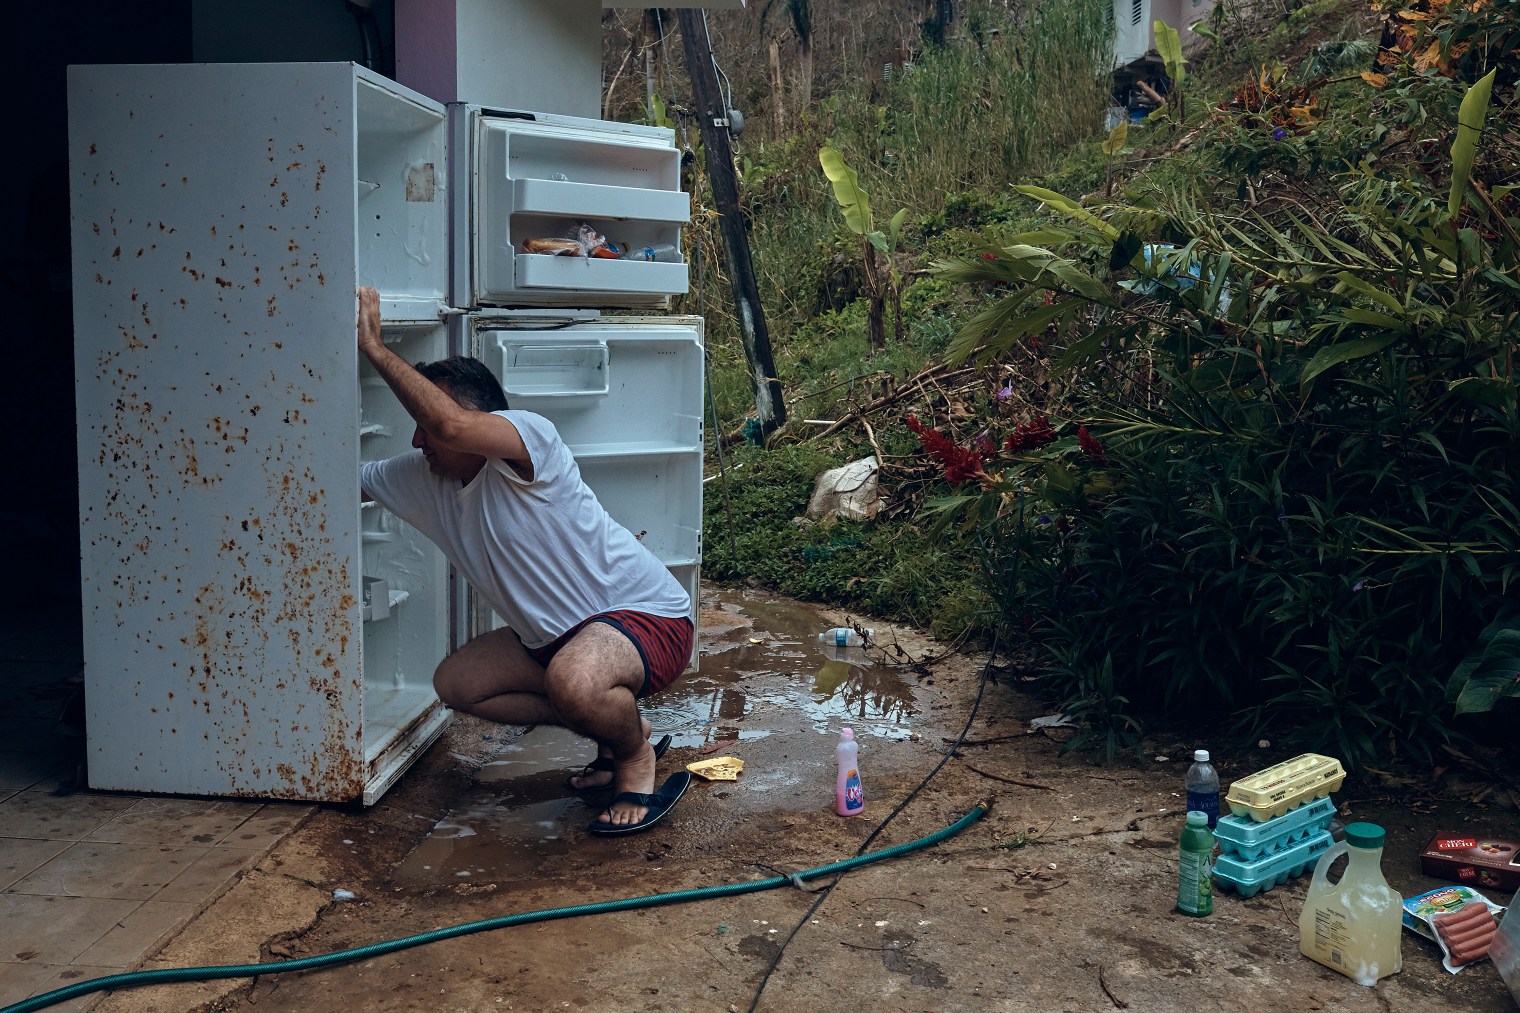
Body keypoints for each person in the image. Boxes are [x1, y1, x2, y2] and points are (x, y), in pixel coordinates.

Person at [355, 286, 694, 834]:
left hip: (647, 618)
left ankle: (634, 760)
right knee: (459, 685)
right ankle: (623, 730)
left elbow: (449, 427)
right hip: (556, 643)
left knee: (577, 681)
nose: (419, 438)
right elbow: (346, 481)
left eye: (426, 420)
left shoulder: (530, 443)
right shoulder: (421, 477)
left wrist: (374, 348)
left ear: (482, 420)